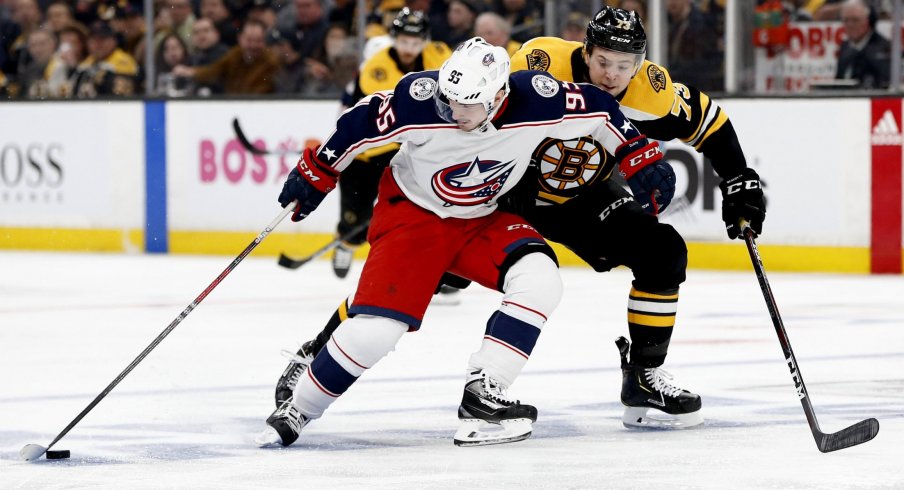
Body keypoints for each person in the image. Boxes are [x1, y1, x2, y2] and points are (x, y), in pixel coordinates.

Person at [273, 6, 766, 431]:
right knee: (410, 279)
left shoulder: (651, 92)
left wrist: (740, 179)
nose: (612, 74)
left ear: (640, 62)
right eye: (602, 61)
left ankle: (643, 377)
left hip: (583, 198)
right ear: (584, 48)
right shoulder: (537, 60)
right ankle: (320, 349)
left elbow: (711, 124)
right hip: (508, 192)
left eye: (624, 65)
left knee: (663, 252)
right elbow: (473, 105)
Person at [257, 36, 668, 447]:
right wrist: (318, 171)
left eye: (468, 103)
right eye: (450, 99)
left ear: (498, 95)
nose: (454, 111)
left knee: (541, 279)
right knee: (377, 332)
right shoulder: (422, 100)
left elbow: (601, 111)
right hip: (413, 218)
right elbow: (359, 123)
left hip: (481, 219)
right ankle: (299, 407)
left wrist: (639, 156)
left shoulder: (538, 100)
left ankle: (485, 391)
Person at [329, 7, 452, 278]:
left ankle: (443, 267)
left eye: (416, 42)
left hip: (413, 149)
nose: (410, 48)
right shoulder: (375, 68)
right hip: (370, 152)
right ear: (394, 38)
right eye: (404, 41)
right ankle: (347, 242)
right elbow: (372, 119)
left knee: (427, 208)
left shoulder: (440, 55)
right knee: (355, 218)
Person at [171, 19, 279, 94]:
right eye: (249, 40)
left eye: (258, 41)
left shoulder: (271, 61)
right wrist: (192, 72)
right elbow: (214, 71)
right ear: (240, 38)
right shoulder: (235, 54)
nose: (253, 46)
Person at [834, 0, 890, 89]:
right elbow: (838, 81)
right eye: (846, 20)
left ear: (868, 21)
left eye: (855, 20)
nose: (850, 25)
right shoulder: (845, 46)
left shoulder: (884, 49)